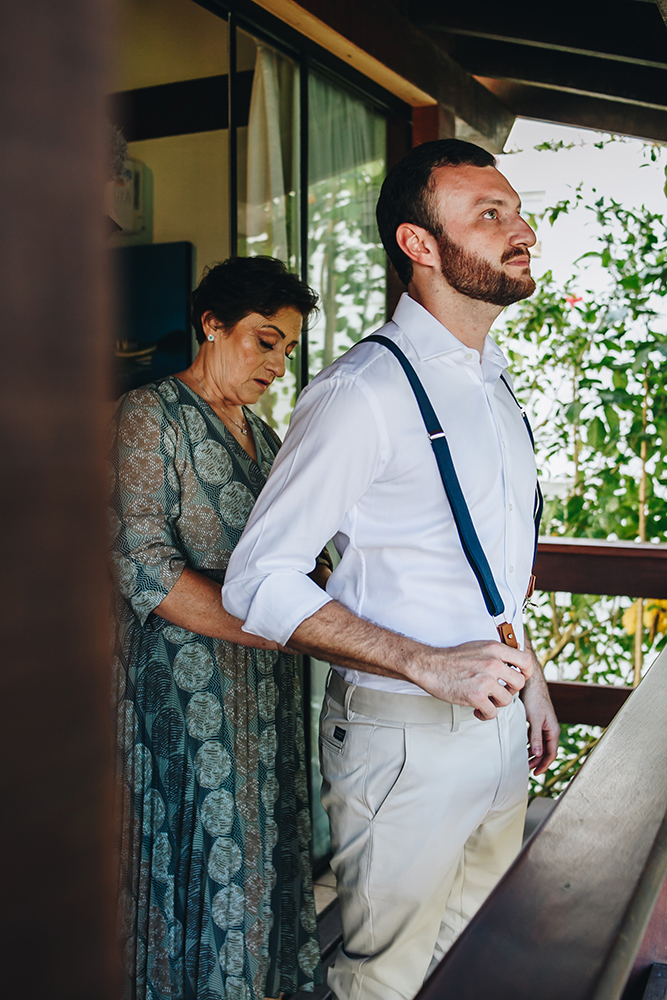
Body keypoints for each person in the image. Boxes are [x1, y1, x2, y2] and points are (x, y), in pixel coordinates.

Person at [222, 140, 560, 1000]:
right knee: (387, 977)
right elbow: (258, 580)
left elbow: (476, 561)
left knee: (473, 964)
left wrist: (528, 676)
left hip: (496, 731)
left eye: (514, 210)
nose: (519, 229)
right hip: (400, 742)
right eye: (488, 214)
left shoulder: (492, 381)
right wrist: (424, 662)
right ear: (418, 243)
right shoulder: (361, 392)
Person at [110, 256, 324, 1000]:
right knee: (195, 858)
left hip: (267, 692)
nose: (276, 362)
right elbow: (141, 564)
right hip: (178, 687)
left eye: (287, 350)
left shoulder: (266, 442)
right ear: (211, 324)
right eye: (265, 340)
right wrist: (277, 629)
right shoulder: (147, 416)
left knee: (265, 857)